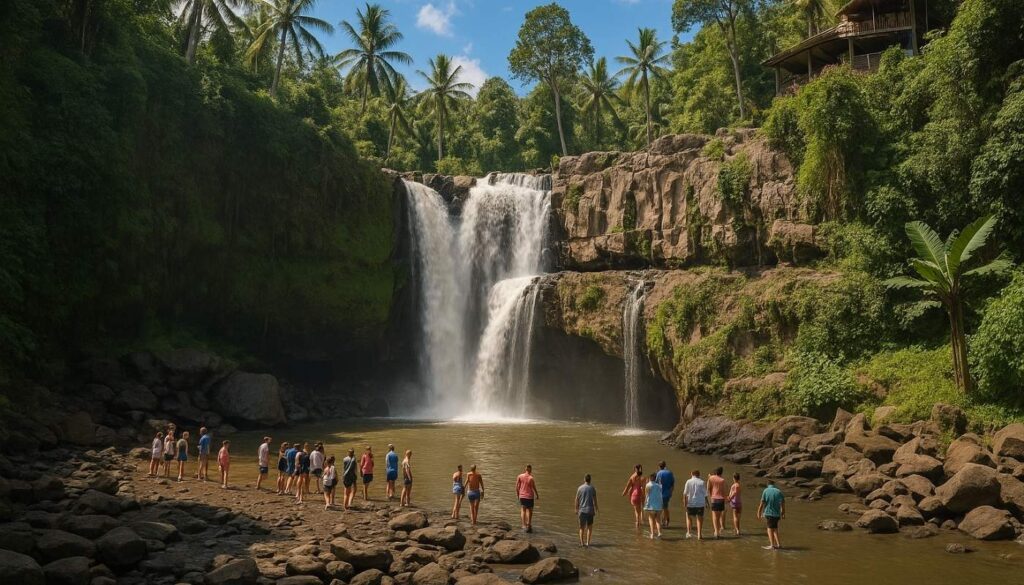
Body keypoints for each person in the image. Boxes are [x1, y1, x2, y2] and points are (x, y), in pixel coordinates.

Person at [757, 479, 785, 550]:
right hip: (777, 514)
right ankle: (779, 544)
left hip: (769, 513)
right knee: (775, 529)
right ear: (774, 484)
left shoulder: (766, 491)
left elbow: (762, 503)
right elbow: (782, 503)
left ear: (768, 484)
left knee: (769, 529)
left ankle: (772, 545)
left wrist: (759, 513)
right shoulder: (779, 491)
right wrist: (783, 513)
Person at [683, 469, 708, 539]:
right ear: (699, 475)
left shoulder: (688, 481)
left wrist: (685, 502)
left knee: (688, 517)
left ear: (692, 474)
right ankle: (699, 534)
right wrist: (707, 503)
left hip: (690, 502)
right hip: (700, 503)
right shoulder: (702, 482)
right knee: (699, 519)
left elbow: (685, 493)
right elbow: (705, 494)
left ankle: (688, 532)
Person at [574, 474, 598, 547]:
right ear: (590, 480)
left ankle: (582, 543)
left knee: (581, 528)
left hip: (582, 510)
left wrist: (576, 509)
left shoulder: (580, 488)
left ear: (584, 479)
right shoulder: (592, 488)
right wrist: (596, 508)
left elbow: (576, 499)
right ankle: (588, 543)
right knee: (589, 527)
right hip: (590, 510)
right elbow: (595, 500)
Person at [515, 464, 539, 533]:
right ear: (530, 470)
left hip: (522, 496)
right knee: (530, 510)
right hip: (530, 496)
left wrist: (518, 495)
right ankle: (529, 524)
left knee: (523, 510)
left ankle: (523, 525)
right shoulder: (531, 478)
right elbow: (534, 488)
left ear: (525, 469)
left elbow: (516, 487)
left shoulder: (520, 476)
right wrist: (537, 495)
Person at [620, 464, 645, 528]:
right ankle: (641, 521)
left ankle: (637, 523)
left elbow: (627, 487)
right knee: (640, 509)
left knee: (636, 511)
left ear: (634, 469)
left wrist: (624, 493)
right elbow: (644, 488)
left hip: (634, 496)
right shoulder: (643, 478)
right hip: (640, 495)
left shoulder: (632, 477)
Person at [708, 467, 727, 538]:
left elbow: (708, 487)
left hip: (714, 499)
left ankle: (716, 531)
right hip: (721, 499)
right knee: (718, 517)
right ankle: (718, 531)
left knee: (714, 516)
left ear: (716, 472)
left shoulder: (711, 478)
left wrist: (710, 495)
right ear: (721, 473)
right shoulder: (722, 480)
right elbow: (724, 491)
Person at [644, 472, 663, 539]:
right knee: (658, 519)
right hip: (658, 505)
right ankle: (659, 532)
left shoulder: (648, 485)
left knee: (651, 519)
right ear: (655, 479)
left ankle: (652, 534)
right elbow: (660, 494)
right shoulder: (659, 486)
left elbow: (646, 495)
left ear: (649, 478)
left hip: (650, 505)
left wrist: (645, 505)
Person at [655, 461, 675, 527]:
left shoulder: (658, 473)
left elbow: (656, 484)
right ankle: (666, 520)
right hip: (667, 494)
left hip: (660, 493)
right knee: (665, 507)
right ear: (665, 465)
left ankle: (663, 521)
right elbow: (672, 484)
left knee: (660, 508)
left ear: (659, 466)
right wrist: (671, 492)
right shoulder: (670, 473)